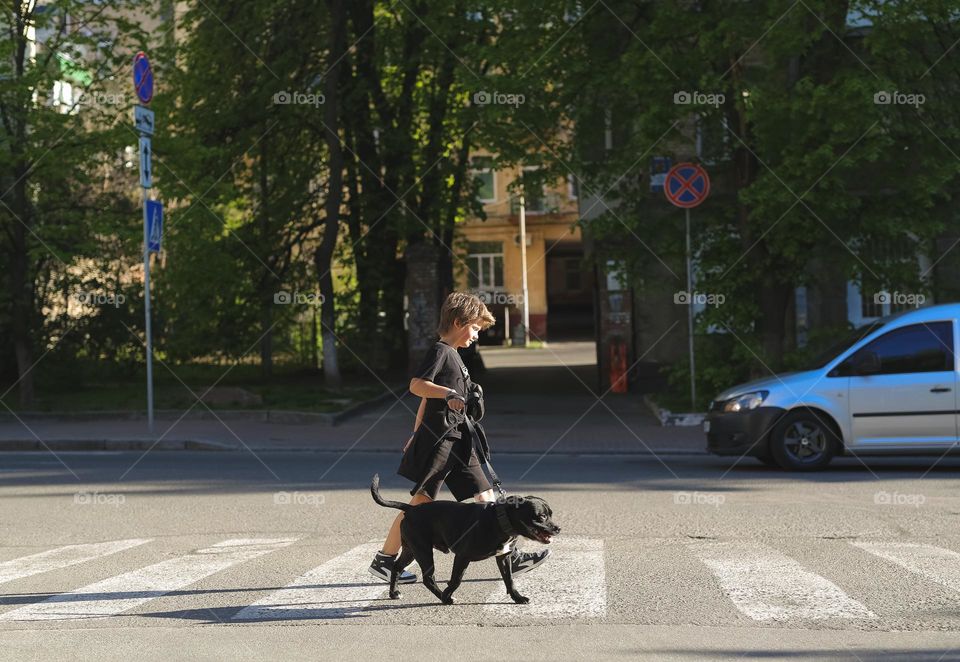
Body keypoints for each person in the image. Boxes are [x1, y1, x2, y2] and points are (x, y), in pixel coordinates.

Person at [368, 292, 550, 583]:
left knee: (486, 496)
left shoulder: (454, 356)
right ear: (458, 322)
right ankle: (386, 561)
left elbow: (426, 400)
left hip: (459, 439)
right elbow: (418, 386)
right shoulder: (441, 351)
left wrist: (415, 430)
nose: (477, 335)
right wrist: (449, 395)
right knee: (420, 506)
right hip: (441, 440)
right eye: (475, 327)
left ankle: (510, 556)